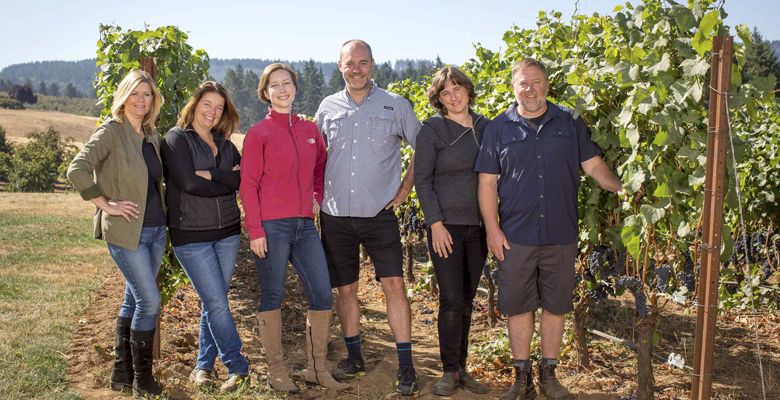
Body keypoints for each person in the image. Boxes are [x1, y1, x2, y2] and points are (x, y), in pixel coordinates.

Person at [475, 58, 623, 400]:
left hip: (560, 233)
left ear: (547, 84)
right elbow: (486, 183)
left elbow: (594, 165)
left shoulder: (568, 123)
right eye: (523, 83)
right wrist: (492, 230)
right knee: (518, 307)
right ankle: (521, 378)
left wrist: (620, 188)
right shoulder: (499, 128)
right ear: (514, 87)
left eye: (536, 82)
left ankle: (550, 376)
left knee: (556, 306)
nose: (530, 89)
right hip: (515, 237)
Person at [314, 39, 422, 396]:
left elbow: (423, 148)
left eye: (363, 62)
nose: (356, 69)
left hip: (379, 214)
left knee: (394, 286)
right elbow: (314, 156)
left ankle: (406, 366)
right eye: (350, 63)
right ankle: (354, 357)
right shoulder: (327, 107)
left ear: (372, 64)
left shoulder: (395, 105)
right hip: (335, 215)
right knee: (346, 290)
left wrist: (405, 188)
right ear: (340, 66)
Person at [239, 63, 348, 393]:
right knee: (273, 295)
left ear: (295, 88)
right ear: (265, 92)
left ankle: (316, 368)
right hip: (271, 227)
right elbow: (248, 185)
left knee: (321, 293)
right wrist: (255, 230)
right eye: (275, 85)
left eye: (287, 83)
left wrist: (316, 195)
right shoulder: (259, 133)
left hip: (304, 226)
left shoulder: (309, 129)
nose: (282, 89)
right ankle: (277, 370)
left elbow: (320, 169)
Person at [67, 70, 166, 397]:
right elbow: (77, 169)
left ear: (154, 100)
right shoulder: (111, 132)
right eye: (135, 94)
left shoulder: (151, 135)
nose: (141, 100)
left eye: (147, 94)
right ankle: (143, 380)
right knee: (149, 301)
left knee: (133, 298)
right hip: (126, 233)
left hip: (155, 231)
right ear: (123, 96)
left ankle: (121, 374)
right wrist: (105, 204)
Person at [161, 81, 249, 392]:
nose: (212, 112)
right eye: (207, 104)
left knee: (215, 302)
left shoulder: (226, 145)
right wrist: (227, 181)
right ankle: (238, 366)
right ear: (195, 103)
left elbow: (241, 180)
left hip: (228, 233)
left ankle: (202, 367)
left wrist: (213, 175)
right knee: (216, 301)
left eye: (219, 107)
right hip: (191, 235)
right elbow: (189, 184)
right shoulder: (176, 139)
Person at [413, 66, 491, 397]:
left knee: (469, 300)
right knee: (451, 298)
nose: (454, 96)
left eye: (458, 88)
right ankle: (448, 371)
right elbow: (423, 179)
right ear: (439, 99)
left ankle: (462, 369)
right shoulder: (432, 130)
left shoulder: (487, 127)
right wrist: (435, 223)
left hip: (480, 227)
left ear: (468, 91)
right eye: (446, 92)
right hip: (446, 227)